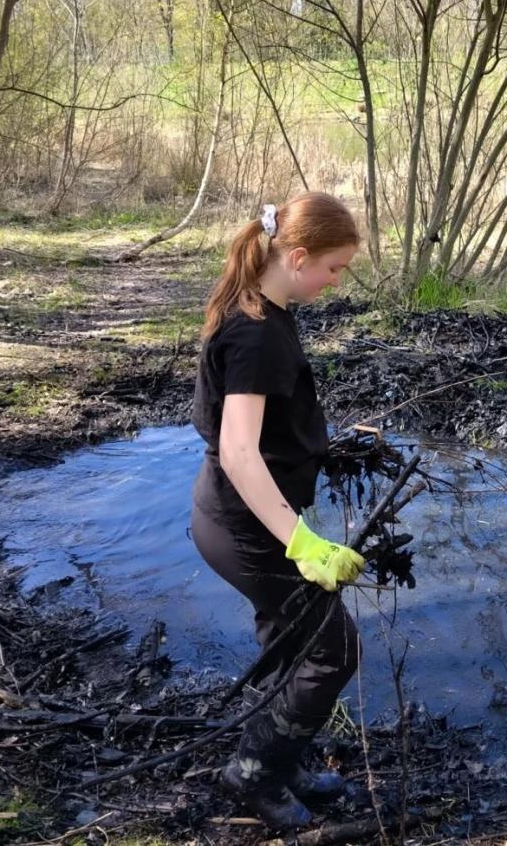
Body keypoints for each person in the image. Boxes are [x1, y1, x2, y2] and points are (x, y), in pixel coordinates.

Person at [190, 192, 364, 829]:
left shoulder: (267, 308)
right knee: (333, 651)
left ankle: (281, 761)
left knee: (293, 645)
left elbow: (266, 433)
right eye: (334, 268)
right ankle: (253, 774)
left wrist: (326, 450)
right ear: (297, 256)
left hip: (246, 514)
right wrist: (304, 543)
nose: (337, 280)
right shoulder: (257, 332)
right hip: (244, 525)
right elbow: (238, 451)